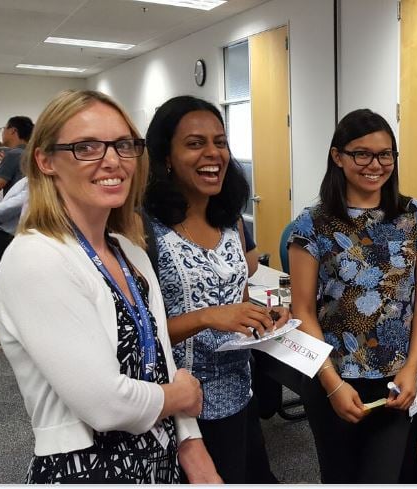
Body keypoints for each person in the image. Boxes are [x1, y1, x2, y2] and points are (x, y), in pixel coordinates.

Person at [0, 89, 220, 483]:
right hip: (88, 469)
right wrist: (180, 395)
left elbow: (162, 364)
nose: (112, 160)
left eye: (123, 145)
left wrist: (197, 456)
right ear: (45, 161)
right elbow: (104, 404)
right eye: (86, 147)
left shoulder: (130, 251)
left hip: (159, 460)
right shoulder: (35, 257)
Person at [289, 108, 417, 483]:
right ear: (337, 157)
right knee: (340, 477)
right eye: (362, 154)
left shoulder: (415, 215)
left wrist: (412, 368)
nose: (375, 164)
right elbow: (302, 309)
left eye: (385, 154)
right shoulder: (312, 223)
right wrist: (332, 383)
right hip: (331, 376)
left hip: (394, 381)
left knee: (381, 477)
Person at [143, 95, 286, 483]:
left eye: (220, 142)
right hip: (184, 404)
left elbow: (237, 295)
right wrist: (207, 317)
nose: (213, 153)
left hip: (239, 391)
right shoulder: (145, 230)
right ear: (166, 157)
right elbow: (138, 336)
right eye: (195, 143)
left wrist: (263, 314)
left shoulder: (230, 220)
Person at [0, 177, 28, 281]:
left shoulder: (33, 182)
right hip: (4, 236)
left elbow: (4, 209)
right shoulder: (30, 182)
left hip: (5, 237)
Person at [0, 116, 32, 196]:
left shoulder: (13, 155)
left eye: (4, 129)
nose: (2, 132)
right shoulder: (31, 153)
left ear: (13, 130)